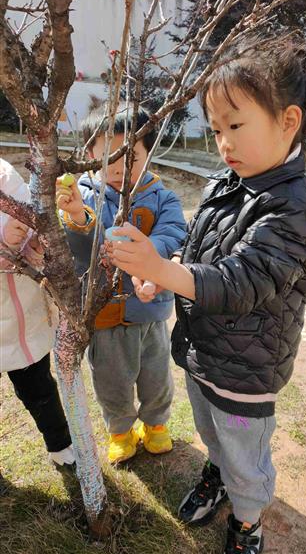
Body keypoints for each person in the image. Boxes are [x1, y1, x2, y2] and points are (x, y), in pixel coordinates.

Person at [110, 37, 306, 553]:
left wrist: (162, 268)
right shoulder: (226, 182)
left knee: (246, 458)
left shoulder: (292, 212)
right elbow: (198, 250)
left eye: (236, 126)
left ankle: (247, 523)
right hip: (203, 351)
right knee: (212, 433)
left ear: (288, 121)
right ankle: (216, 471)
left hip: (246, 372)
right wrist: (164, 274)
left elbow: (237, 283)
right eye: (216, 130)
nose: (224, 143)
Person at [55, 101, 186, 464]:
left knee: (156, 377)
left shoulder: (161, 196)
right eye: (108, 157)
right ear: (90, 154)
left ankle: (156, 425)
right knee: (111, 381)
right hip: (105, 314)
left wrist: (148, 260)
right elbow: (81, 248)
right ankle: (120, 431)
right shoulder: (85, 196)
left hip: (150, 310)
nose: (118, 168)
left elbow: (174, 232)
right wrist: (78, 215)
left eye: (132, 157)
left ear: (149, 154)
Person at [0, 158, 75, 468]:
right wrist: (4, 240)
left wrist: (34, 243)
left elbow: (31, 220)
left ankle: (61, 445)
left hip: (22, 316)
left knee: (39, 387)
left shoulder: (4, 173)